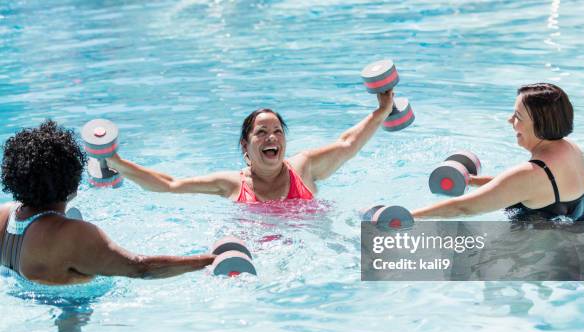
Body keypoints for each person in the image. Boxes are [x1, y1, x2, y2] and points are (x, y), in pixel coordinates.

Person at [0, 120, 215, 285]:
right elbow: (140, 268)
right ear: (71, 179)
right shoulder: (74, 234)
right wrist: (207, 260)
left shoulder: (4, 214)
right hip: (72, 305)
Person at [107, 91, 395, 202]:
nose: (272, 138)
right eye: (262, 132)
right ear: (246, 145)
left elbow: (346, 143)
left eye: (277, 132)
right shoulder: (231, 183)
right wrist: (118, 163)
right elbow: (169, 184)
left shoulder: (304, 167)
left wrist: (381, 111)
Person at [412, 83, 584, 221]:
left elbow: (464, 208)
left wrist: (406, 217)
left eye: (518, 117)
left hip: (544, 260)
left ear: (540, 126)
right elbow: (524, 188)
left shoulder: (532, 174)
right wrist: (472, 181)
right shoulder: (572, 149)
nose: (510, 120)